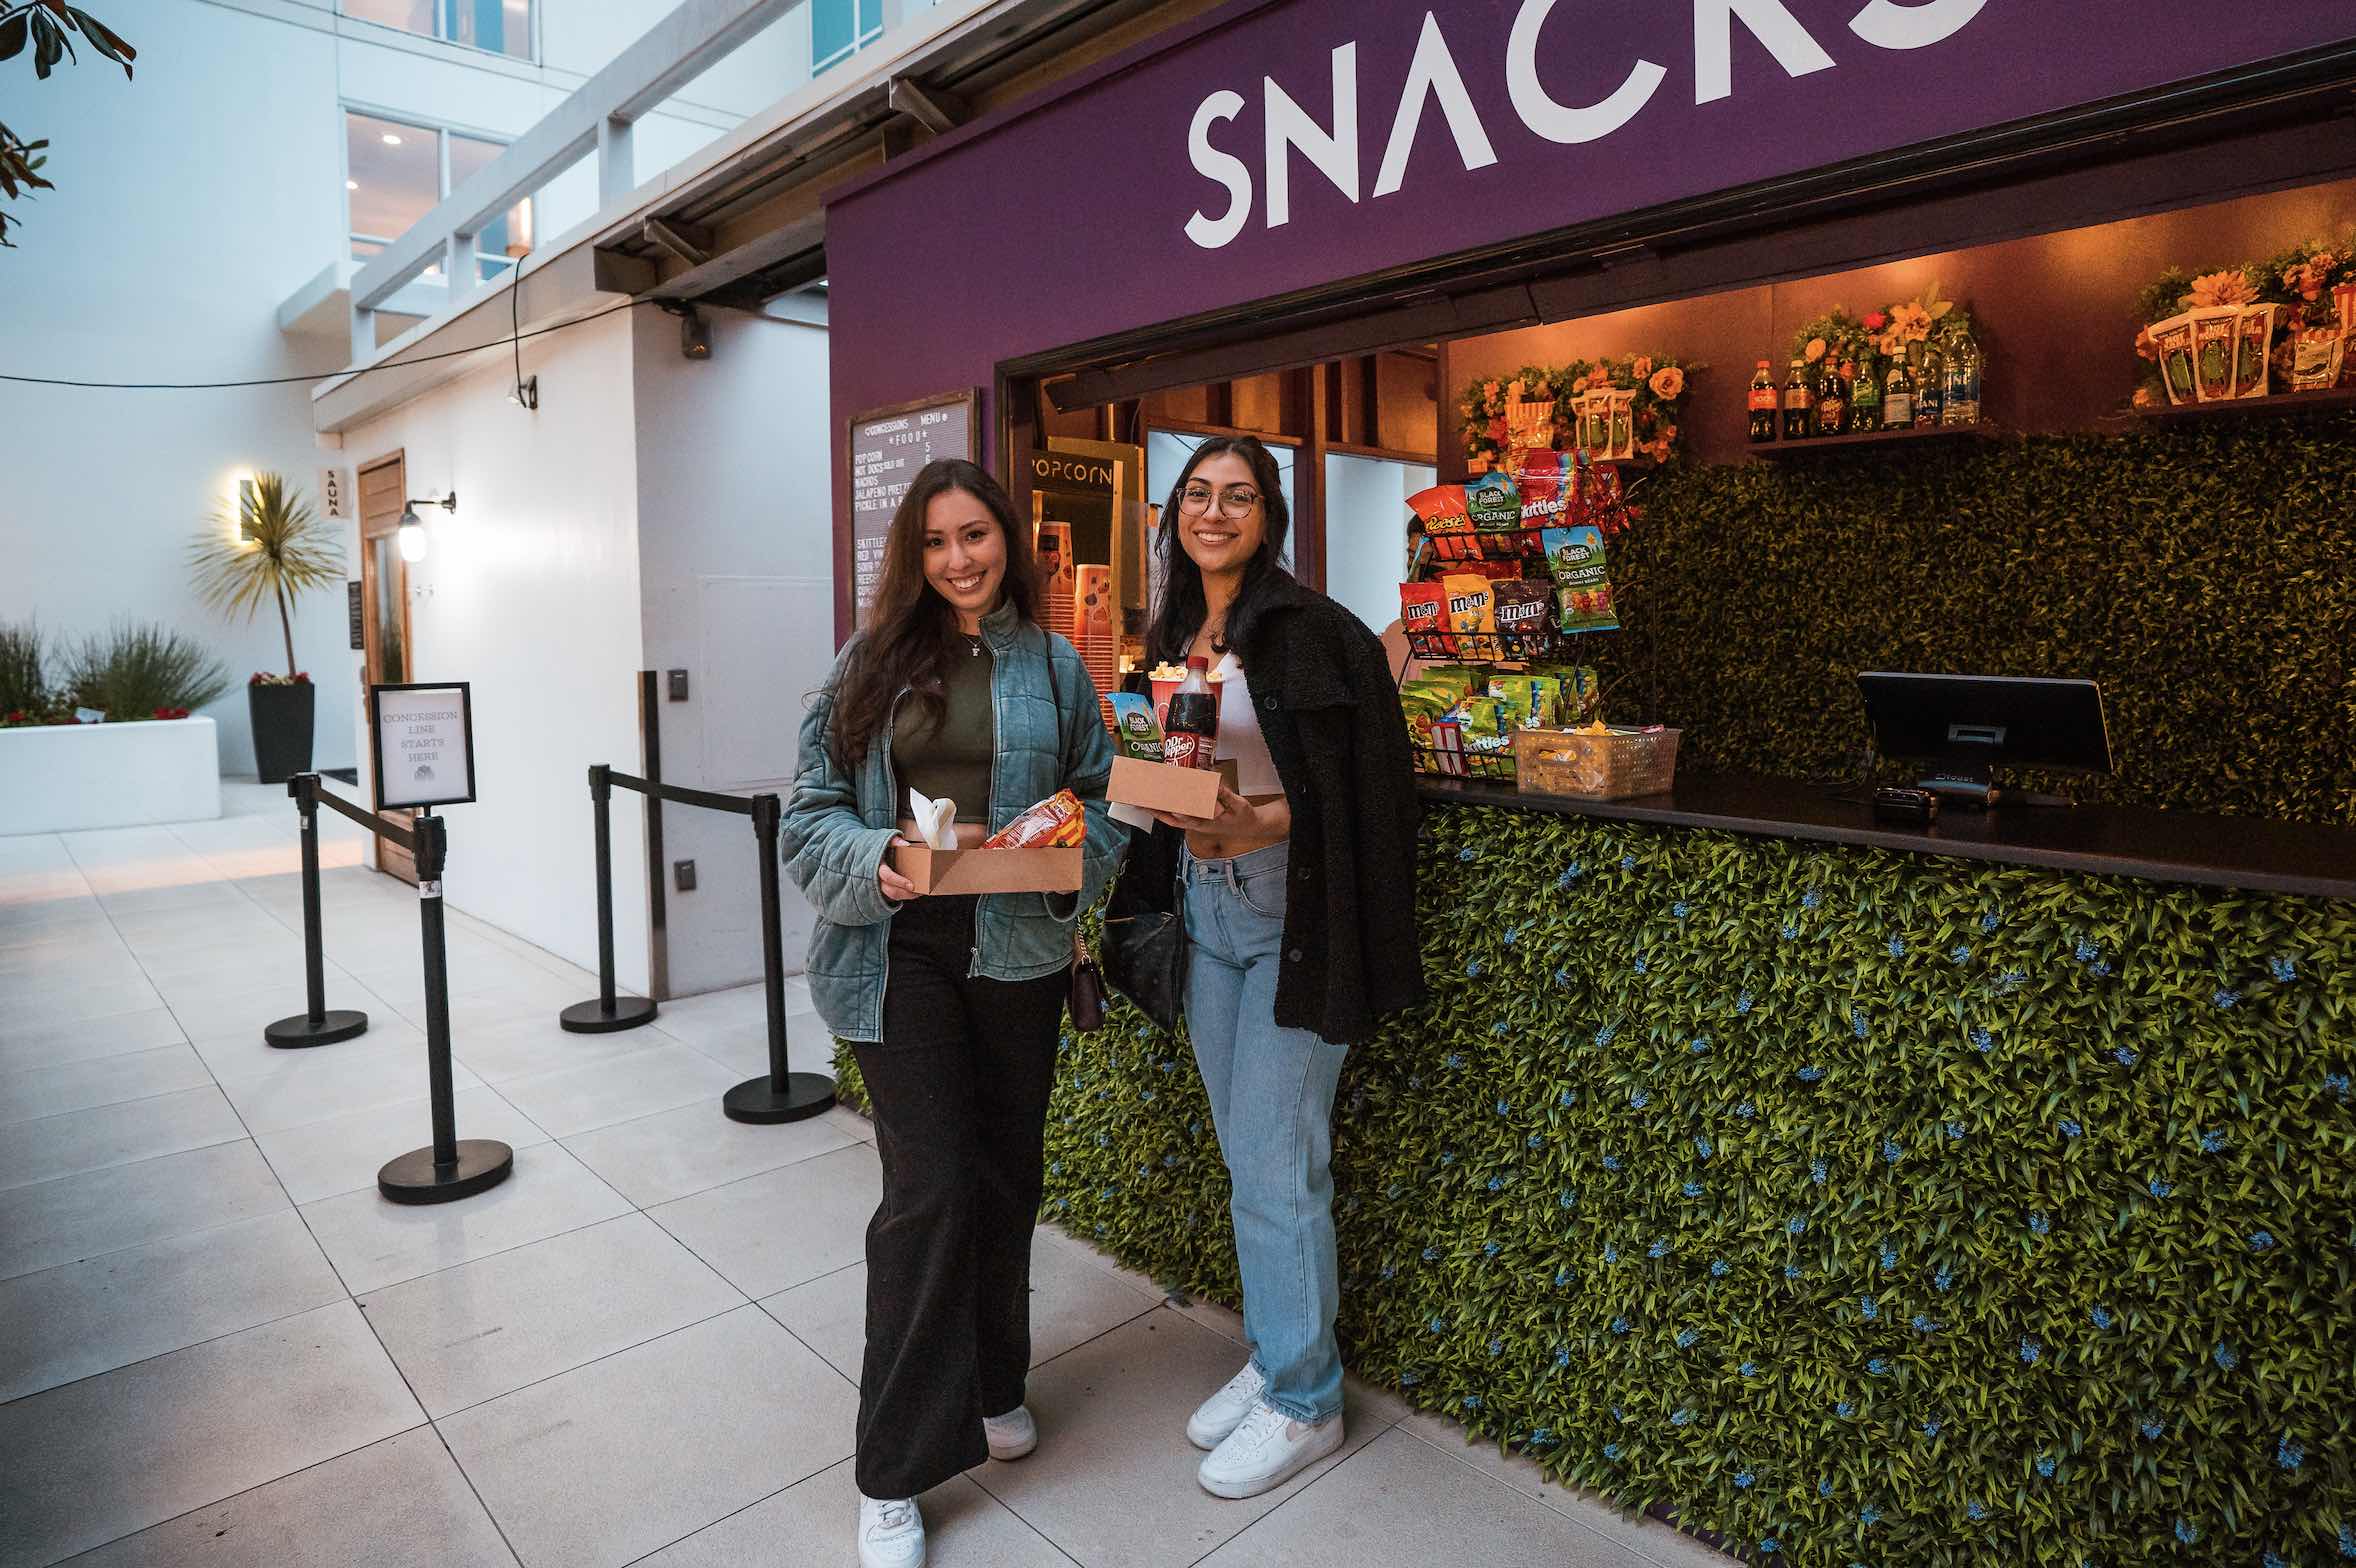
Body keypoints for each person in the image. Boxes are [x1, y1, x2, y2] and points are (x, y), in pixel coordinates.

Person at [783, 458, 1124, 1568]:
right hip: (897, 955)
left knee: (1004, 1173)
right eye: (934, 541)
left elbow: (1103, 796)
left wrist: (1068, 853)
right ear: (910, 556)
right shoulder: (866, 664)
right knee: (927, 1191)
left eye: (973, 534)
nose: (958, 558)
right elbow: (809, 816)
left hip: (1016, 949)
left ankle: (992, 1381)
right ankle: (891, 1469)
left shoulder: (1056, 663)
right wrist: (875, 856)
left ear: (1006, 540)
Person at [1118, 435, 1424, 1499]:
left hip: (1294, 914)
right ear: (1173, 513)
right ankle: (1278, 1351)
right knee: (1245, 1153)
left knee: (1274, 1153)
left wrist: (1264, 820)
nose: (1213, 510)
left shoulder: (1315, 632)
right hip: (1203, 909)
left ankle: (1306, 1400)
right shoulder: (1166, 632)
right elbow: (1163, 770)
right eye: (1197, 495)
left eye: (1237, 495)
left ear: (1269, 515)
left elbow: (1367, 791)